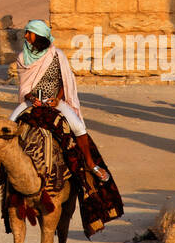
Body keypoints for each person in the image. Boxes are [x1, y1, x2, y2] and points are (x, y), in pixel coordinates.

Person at [10, 18, 109, 182]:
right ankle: (1, 174)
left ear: (39, 35)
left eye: (29, 33)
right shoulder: (22, 57)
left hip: (54, 100)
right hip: (31, 101)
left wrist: (57, 99)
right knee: (10, 124)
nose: (26, 36)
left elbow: (65, 82)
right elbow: (24, 87)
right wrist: (31, 97)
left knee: (78, 126)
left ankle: (91, 164)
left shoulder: (57, 55)